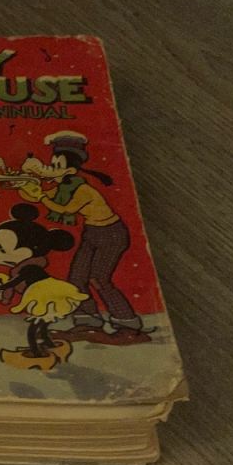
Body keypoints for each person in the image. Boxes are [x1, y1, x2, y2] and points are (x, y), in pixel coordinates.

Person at [18, 131, 146, 341]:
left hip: (111, 234)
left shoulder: (83, 190)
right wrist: (27, 187)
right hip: (92, 232)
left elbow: (65, 209)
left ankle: (127, 324)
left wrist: (40, 196)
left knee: (99, 278)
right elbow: (41, 196)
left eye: (57, 166)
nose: (52, 169)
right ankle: (88, 322)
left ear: (70, 169)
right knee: (76, 278)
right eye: (53, 164)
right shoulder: (64, 186)